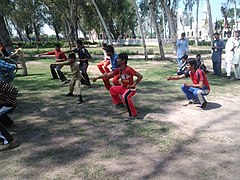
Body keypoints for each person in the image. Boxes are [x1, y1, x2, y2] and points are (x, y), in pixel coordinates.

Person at [92, 53, 143, 120]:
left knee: (125, 96)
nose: (116, 60)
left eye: (118, 59)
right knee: (112, 89)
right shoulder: (119, 69)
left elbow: (140, 76)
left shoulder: (129, 69)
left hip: (130, 89)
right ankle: (119, 103)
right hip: (123, 88)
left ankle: (133, 114)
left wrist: (134, 84)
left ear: (123, 61)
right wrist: (97, 77)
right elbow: (107, 75)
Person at [0, 81, 19, 151]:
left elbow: (14, 90)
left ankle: (8, 142)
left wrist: (5, 101)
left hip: (8, 104)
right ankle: (9, 123)